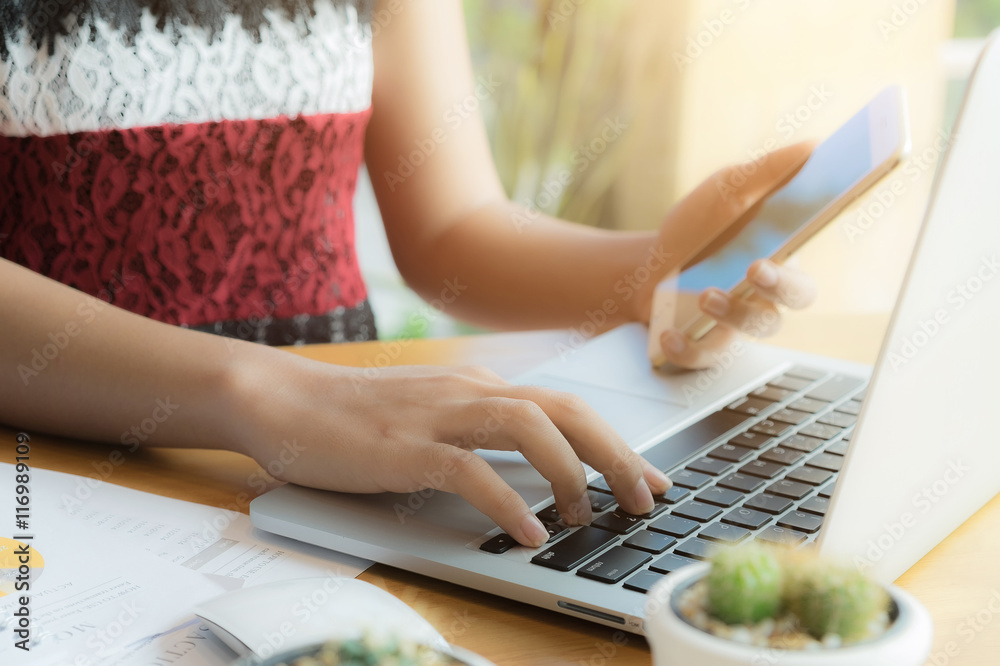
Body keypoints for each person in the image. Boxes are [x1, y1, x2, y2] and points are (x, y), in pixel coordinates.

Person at [0, 0, 816, 548]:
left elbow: (454, 230)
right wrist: (268, 395)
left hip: (353, 469)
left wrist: (659, 274)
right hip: (60, 482)